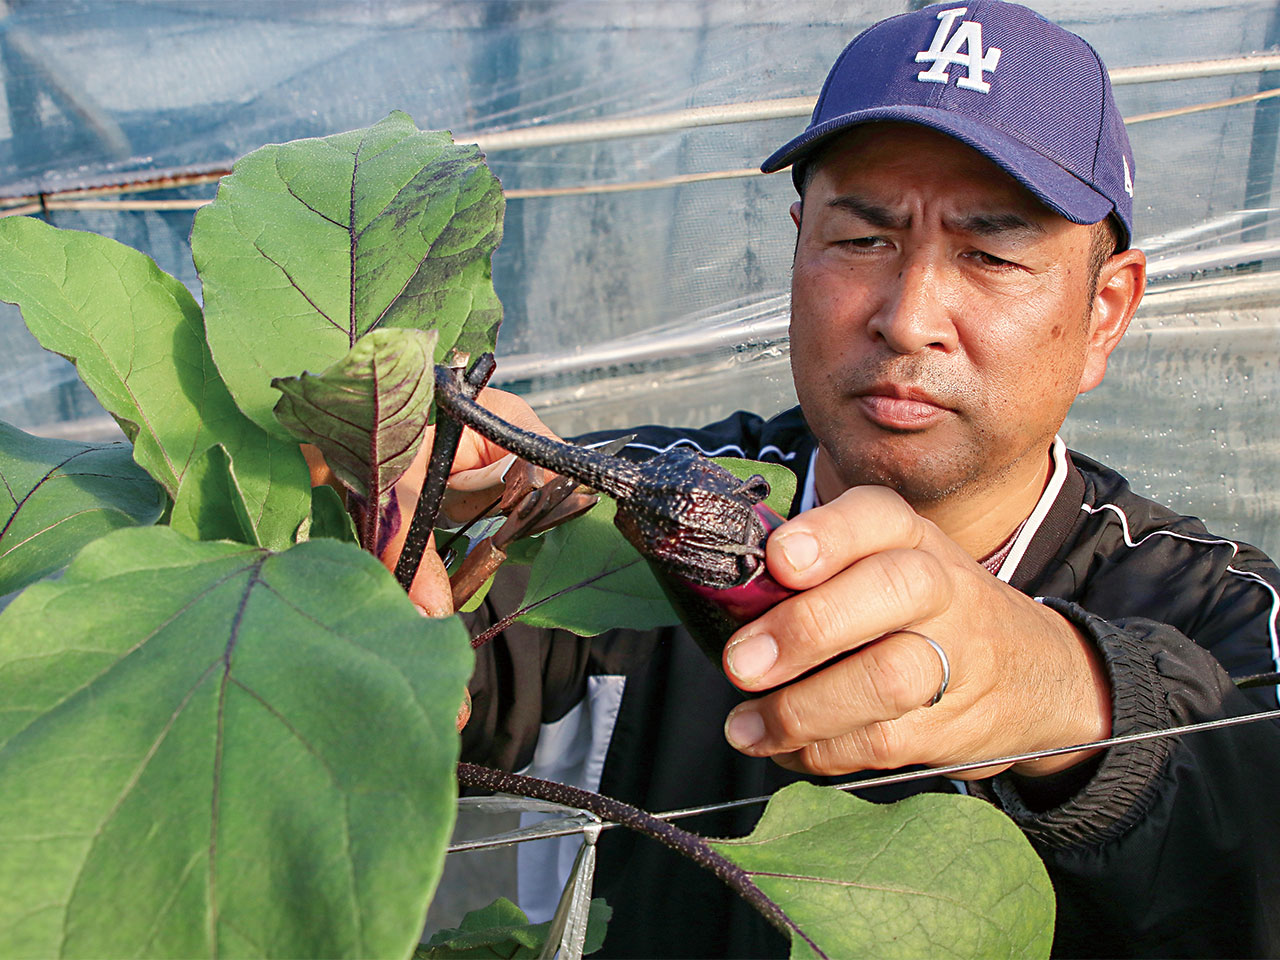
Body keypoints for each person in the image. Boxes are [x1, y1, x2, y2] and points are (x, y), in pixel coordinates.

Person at [397, 2, 1280, 956]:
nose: (908, 318)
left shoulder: (1221, 611)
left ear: (1105, 311)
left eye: (990, 253)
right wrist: (389, 534)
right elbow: (405, 692)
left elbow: (1249, 837)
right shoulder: (616, 512)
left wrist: (1071, 698)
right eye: (863, 239)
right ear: (797, 246)